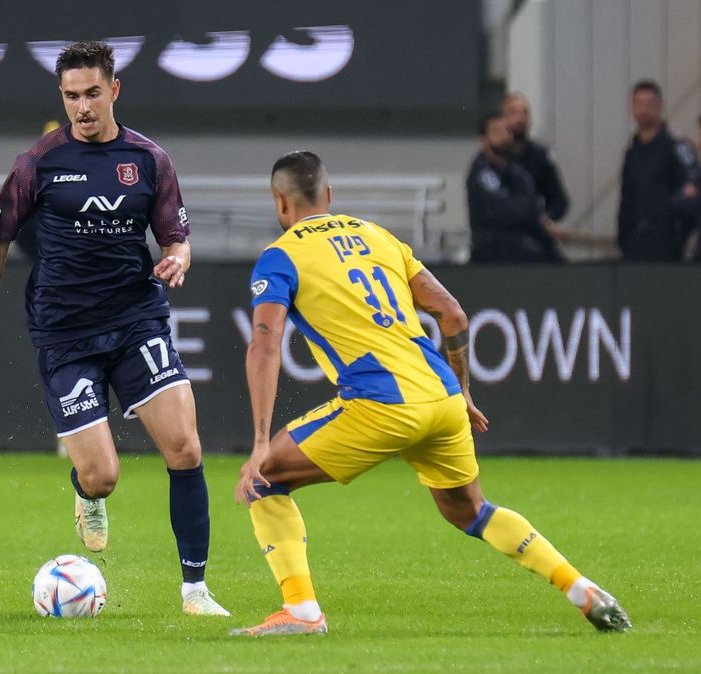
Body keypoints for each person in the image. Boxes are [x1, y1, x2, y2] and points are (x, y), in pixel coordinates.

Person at [229, 150, 631, 636]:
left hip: (380, 403)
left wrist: (259, 442)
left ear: (280, 201)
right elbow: (453, 313)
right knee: (471, 511)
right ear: (329, 195)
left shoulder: (281, 256)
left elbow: (265, 343)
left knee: (266, 478)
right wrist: (464, 391)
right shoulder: (378, 236)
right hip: (442, 396)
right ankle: (580, 587)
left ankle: (302, 612)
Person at [0, 41, 229, 617]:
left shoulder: (149, 160)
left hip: (136, 320)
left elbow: (176, 238)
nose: (82, 107)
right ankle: (87, 494)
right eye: (71, 96)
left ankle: (195, 591)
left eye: (91, 94)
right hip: (65, 333)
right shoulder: (38, 162)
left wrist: (178, 258)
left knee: (185, 446)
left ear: (114, 90)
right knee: (104, 475)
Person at [466, 113, 566, 263]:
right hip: (493, 251)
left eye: (507, 131)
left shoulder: (519, 174)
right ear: (484, 139)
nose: (505, 137)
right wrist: (534, 218)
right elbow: (506, 211)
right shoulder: (482, 173)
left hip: (528, 246)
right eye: (497, 132)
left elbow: (532, 204)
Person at [617, 80, 696, 261]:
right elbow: (626, 198)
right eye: (639, 104)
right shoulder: (631, 154)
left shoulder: (678, 148)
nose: (644, 110)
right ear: (632, 107)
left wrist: (677, 235)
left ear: (660, 106)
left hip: (668, 246)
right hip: (634, 245)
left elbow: (691, 194)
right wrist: (624, 235)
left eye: (649, 104)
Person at [502, 93, 570, 223]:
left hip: (533, 227)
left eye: (525, 113)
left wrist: (547, 218)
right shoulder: (495, 156)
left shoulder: (539, 156)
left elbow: (559, 201)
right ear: (503, 119)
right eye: (513, 113)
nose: (520, 118)